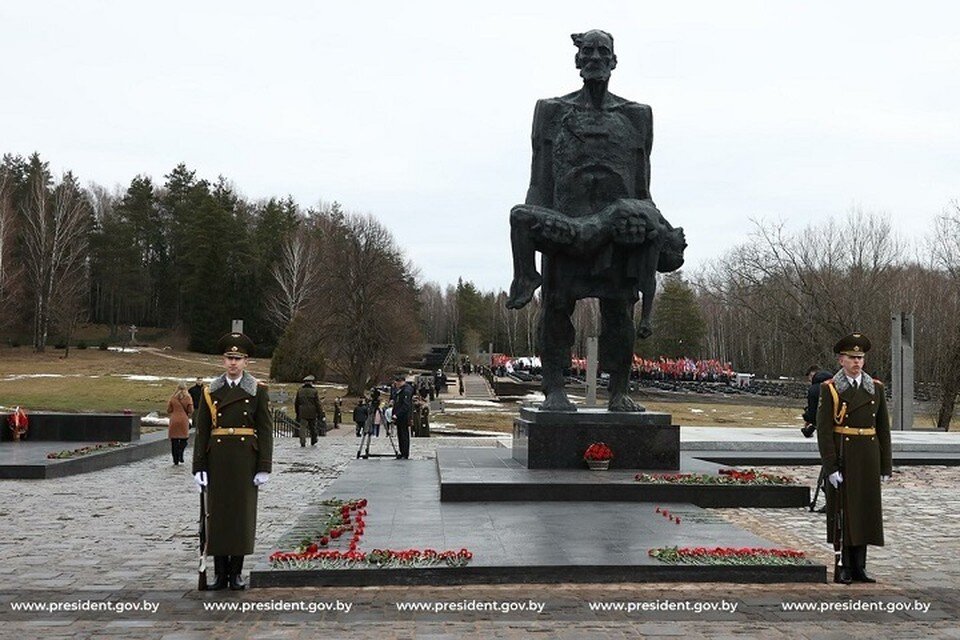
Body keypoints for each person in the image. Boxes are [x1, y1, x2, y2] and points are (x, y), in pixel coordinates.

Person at [505, 29, 685, 412]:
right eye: (587, 52)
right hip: (567, 227)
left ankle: (619, 392)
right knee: (556, 307)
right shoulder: (551, 111)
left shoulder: (637, 116)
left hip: (621, 234)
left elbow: (642, 186)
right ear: (577, 60)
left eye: (603, 52)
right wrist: (535, 233)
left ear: (614, 61)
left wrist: (660, 228)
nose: (595, 59)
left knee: (619, 312)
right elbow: (539, 181)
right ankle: (554, 389)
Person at [192, 332, 273, 590]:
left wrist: (264, 466)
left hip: (244, 461)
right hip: (217, 460)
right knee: (216, 516)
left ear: (246, 361)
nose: (233, 363)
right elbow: (202, 431)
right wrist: (198, 466)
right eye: (229, 358)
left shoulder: (257, 391)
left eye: (238, 358)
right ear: (222, 361)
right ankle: (219, 573)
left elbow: (266, 430)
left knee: (240, 516)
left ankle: (236, 572)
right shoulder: (210, 391)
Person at [816, 333, 892, 585]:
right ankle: (845, 565)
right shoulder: (831, 389)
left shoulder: (876, 388)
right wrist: (830, 466)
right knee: (845, 512)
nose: (857, 362)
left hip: (868, 455)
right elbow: (824, 431)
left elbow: (883, 429)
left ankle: (860, 566)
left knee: (866, 511)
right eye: (851, 358)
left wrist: (885, 464)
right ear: (841, 360)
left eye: (860, 357)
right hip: (844, 455)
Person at [802, 365, 833, 438]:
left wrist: (809, 419)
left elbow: (814, 409)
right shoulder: (834, 384)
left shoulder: (814, 389)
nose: (810, 379)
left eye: (811, 376)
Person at [166, 382, 193, 465]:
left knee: (174, 441)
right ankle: (180, 452)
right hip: (183, 420)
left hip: (174, 420)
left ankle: (175, 460)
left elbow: (169, 410)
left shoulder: (173, 397)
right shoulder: (188, 398)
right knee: (184, 439)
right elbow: (190, 410)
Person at [294, 375, 322, 447]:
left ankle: (302, 441)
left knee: (302, 427)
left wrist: (297, 412)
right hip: (312, 411)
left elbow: (296, 402)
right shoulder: (314, 391)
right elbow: (317, 403)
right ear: (311, 382)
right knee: (312, 426)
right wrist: (319, 413)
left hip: (302, 411)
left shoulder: (300, 391)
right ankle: (313, 439)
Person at [392, 375, 414, 459]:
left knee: (404, 435)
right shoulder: (401, 390)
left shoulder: (406, 391)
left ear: (401, 382)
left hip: (404, 417)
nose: (396, 384)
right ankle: (402, 452)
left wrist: (397, 414)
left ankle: (405, 453)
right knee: (400, 435)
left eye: (397, 382)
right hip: (400, 417)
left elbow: (405, 406)